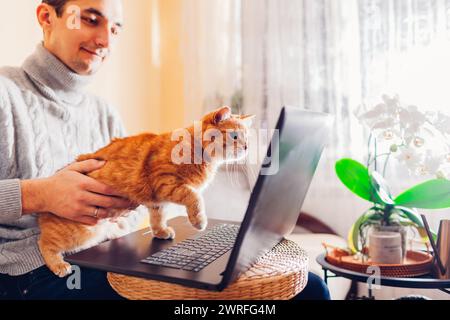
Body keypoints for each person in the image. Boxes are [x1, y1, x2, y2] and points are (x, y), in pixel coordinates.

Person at [0, 0, 330, 300]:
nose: (106, 41)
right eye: (90, 20)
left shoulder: (103, 112)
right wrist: (39, 194)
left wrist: (148, 221)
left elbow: (142, 199)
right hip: (34, 273)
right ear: (46, 17)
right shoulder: (5, 92)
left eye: (115, 28)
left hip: (111, 251)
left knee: (309, 285)